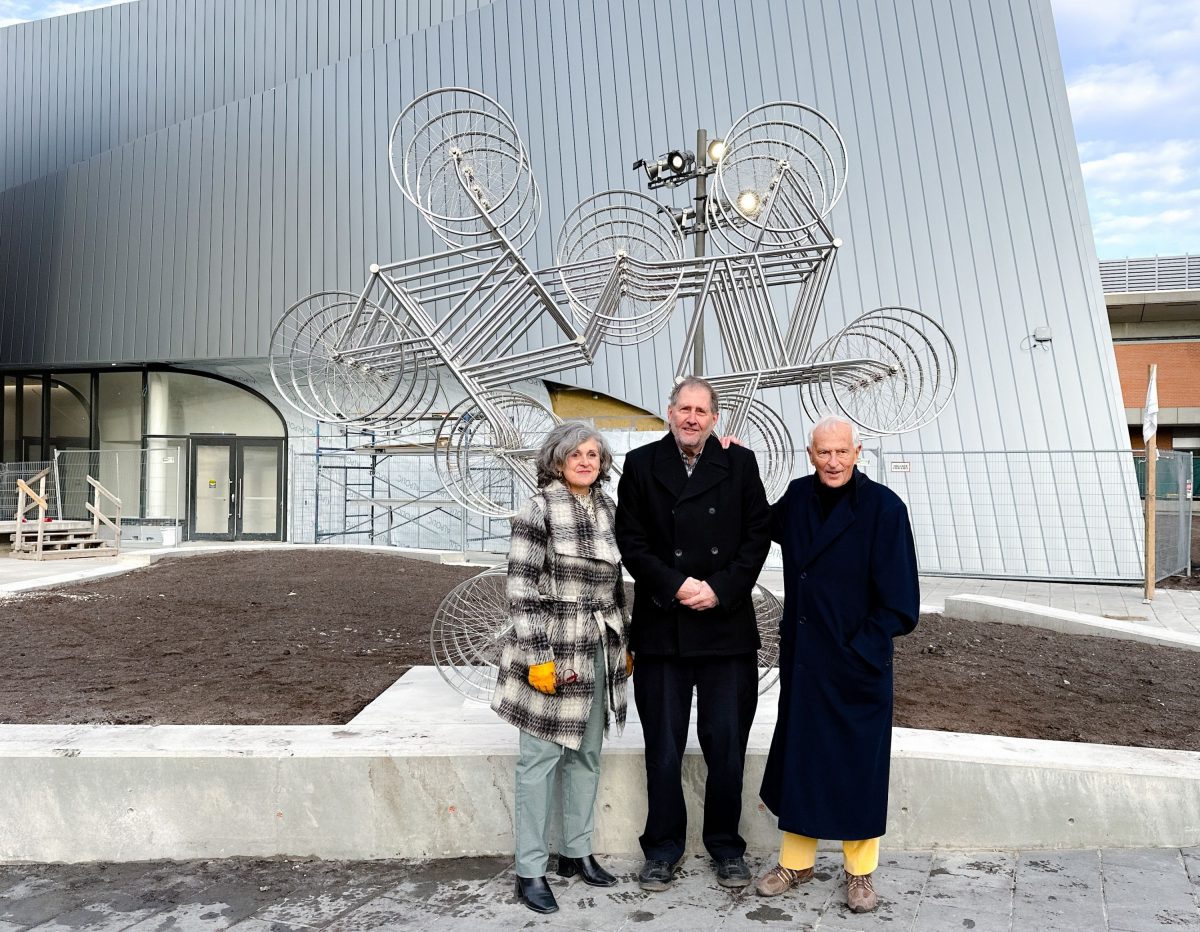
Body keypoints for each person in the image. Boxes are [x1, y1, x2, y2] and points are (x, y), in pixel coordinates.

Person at [755, 414, 919, 913]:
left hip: (856, 665)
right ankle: (796, 863)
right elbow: (754, 522)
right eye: (823, 452)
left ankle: (860, 873)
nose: (832, 461)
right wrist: (728, 461)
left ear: (857, 452)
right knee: (803, 763)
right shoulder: (798, 497)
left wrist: (858, 649)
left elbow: (901, 603)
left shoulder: (884, 509)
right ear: (810, 455)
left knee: (857, 771)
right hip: (807, 664)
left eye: (840, 452)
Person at [614, 376, 772, 892]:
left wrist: (720, 589)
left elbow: (757, 537)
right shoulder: (639, 465)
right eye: (684, 408)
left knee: (726, 745)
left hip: (725, 629)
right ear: (669, 411)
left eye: (701, 411)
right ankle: (661, 848)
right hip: (663, 627)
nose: (691, 418)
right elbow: (631, 542)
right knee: (662, 746)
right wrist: (678, 584)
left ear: (714, 418)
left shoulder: (739, 463)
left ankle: (727, 847)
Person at [490, 421, 632, 915]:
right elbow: (521, 588)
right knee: (539, 763)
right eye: (577, 453)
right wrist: (537, 659)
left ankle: (576, 852)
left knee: (586, 755)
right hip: (553, 651)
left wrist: (624, 643)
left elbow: (614, 587)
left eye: (594, 454)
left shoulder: (609, 510)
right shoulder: (538, 509)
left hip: (598, 648)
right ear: (556, 459)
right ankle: (529, 870)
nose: (586, 461)